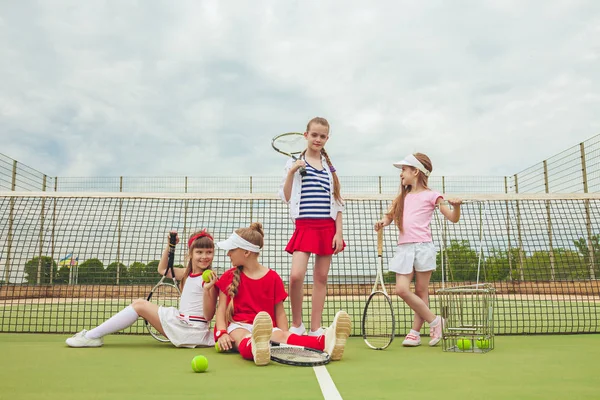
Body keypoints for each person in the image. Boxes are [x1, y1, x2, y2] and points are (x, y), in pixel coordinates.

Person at [211, 222, 351, 366]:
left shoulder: (273, 278)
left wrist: (285, 336)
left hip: (265, 329)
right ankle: (255, 349)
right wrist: (221, 333)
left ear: (246, 252)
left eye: (232, 250)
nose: (228, 254)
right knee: (243, 337)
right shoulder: (228, 276)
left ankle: (326, 341)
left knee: (282, 336)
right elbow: (221, 310)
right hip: (237, 326)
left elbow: (280, 313)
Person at [65, 229, 217, 348]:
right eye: (199, 252)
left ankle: (91, 337)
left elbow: (209, 315)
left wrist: (207, 290)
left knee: (139, 305)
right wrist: (170, 246)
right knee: (139, 304)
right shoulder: (186, 274)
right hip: (183, 325)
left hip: (192, 331)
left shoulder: (210, 278)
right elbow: (163, 269)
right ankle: (92, 336)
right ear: (190, 254)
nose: (204, 256)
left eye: (209, 252)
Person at [374, 153, 462, 347]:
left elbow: (453, 218)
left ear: (416, 171)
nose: (401, 174)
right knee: (402, 289)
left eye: (404, 170)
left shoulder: (433, 195)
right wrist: (383, 221)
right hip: (404, 249)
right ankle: (435, 321)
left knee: (422, 291)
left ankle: (415, 332)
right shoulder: (401, 198)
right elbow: (389, 216)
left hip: (423, 247)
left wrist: (456, 208)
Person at [278, 117, 345, 336]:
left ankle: (316, 327)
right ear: (305, 135)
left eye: (322, 136)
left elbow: (337, 203)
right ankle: (297, 324)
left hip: (327, 228)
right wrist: (292, 171)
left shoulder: (329, 169)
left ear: (327, 138)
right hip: (304, 226)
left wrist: (338, 233)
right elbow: (286, 196)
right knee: (296, 275)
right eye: (314, 135)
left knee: (321, 278)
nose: (318, 139)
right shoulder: (294, 163)